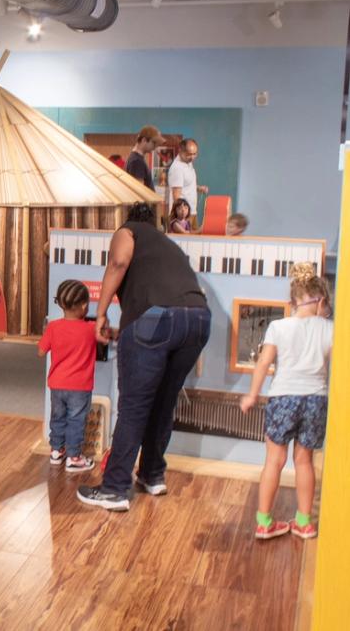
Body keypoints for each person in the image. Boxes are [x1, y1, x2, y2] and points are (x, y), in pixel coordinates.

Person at [77, 202, 211, 511]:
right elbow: (159, 316)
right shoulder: (168, 245)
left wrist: (100, 315)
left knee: (134, 407)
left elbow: (119, 263)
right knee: (164, 401)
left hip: (158, 320)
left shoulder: (129, 231)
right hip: (198, 320)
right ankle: (152, 475)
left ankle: (113, 489)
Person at [240, 264, 332, 540]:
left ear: (292, 302)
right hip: (316, 399)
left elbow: (264, 363)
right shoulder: (330, 329)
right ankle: (304, 523)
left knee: (274, 461)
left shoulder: (279, 326)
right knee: (304, 462)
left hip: (283, 398)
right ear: (321, 301)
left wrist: (252, 395)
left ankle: (264, 522)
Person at [38, 280, 97, 473]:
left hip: (57, 384)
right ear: (84, 306)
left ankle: (56, 451)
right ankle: (74, 457)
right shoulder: (90, 329)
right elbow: (106, 336)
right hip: (79, 387)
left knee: (58, 417)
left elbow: (40, 351)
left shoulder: (53, 327)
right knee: (76, 420)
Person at [168, 138, 208, 214]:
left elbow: (185, 184)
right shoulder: (177, 168)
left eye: (195, 154)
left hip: (191, 211)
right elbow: (176, 196)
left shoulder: (188, 162)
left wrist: (199, 188)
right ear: (180, 151)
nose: (192, 157)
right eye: (189, 154)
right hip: (183, 215)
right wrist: (181, 218)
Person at [125, 126, 163, 190]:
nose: (155, 147)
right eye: (154, 143)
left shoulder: (136, 159)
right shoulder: (137, 161)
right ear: (144, 140)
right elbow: (140, 192)